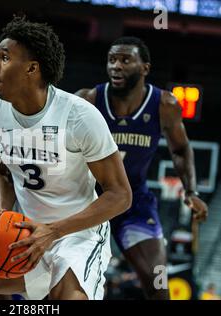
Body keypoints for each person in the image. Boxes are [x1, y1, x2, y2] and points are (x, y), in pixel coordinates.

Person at [0, 16, 132, 300]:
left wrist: (52, 232)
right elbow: (2, 172)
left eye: (4, 58)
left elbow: (120, 195)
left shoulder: (79, 116)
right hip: (26, 235)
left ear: (32, 68)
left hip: (77, 236)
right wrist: (3, 214)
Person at [75, 36, 208, 299]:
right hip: (88, 198)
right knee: (66, 280)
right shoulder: (88, 100)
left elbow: (180, 149)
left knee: (158, 284)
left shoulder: (164, 105)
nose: (116, 66)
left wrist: (191, 192)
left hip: (132, 200)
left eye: (125, 60)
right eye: (112, 60)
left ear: (145, 67)